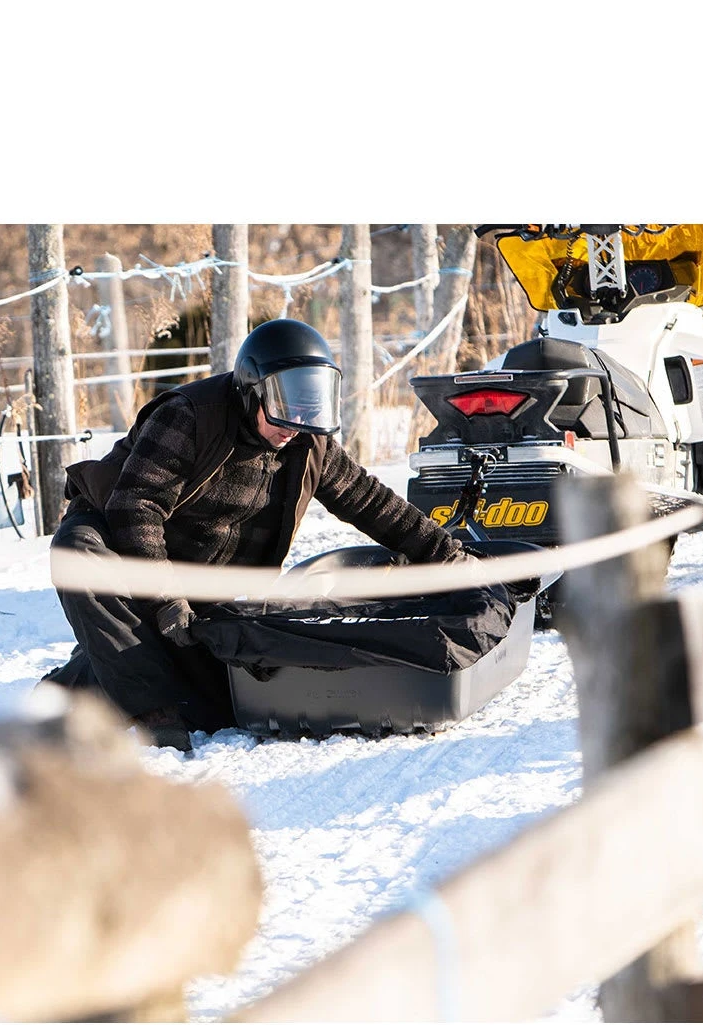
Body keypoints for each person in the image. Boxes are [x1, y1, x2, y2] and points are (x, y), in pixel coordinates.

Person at [42, 318, 467, 753]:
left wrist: (450, 557)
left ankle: (75, 686)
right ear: (252, 392)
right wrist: (167, 599)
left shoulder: (307, 440)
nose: (293, 425)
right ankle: (154, 711)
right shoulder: (189, 416)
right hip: (119, 538)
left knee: (225, 698)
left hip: (201, 571)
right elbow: (136, 507)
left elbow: (372, 503)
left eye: (307, 410)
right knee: (79, 556)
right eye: (283, 408)